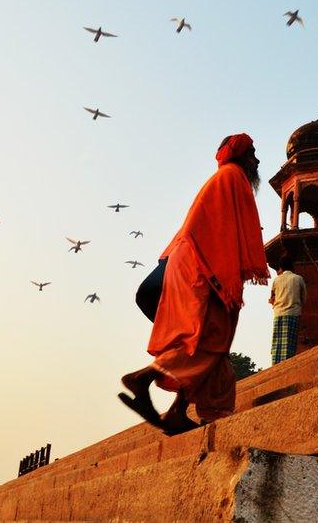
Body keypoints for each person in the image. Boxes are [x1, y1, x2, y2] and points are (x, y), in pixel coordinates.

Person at [119, 133, 269, 435]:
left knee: (216, 348)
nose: (257, 159)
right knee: (209, 340)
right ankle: (145, 376)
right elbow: (223, 238)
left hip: (189, 265)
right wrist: (225, 283)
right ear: (239, 156)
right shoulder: (233, 177)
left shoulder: (224, 179)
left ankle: (181, 412)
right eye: (252, 152)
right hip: (202, 270)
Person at [268, 255, 306, 365]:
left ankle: (275, 366)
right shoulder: (298, 279)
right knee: (289, 342)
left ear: (281, 267)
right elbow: (303, 298)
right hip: (293, 313)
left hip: (278, 313)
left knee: (277, 342)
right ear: (292, 266)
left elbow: (272, 298)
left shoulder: (276, 280)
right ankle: (286, 365)